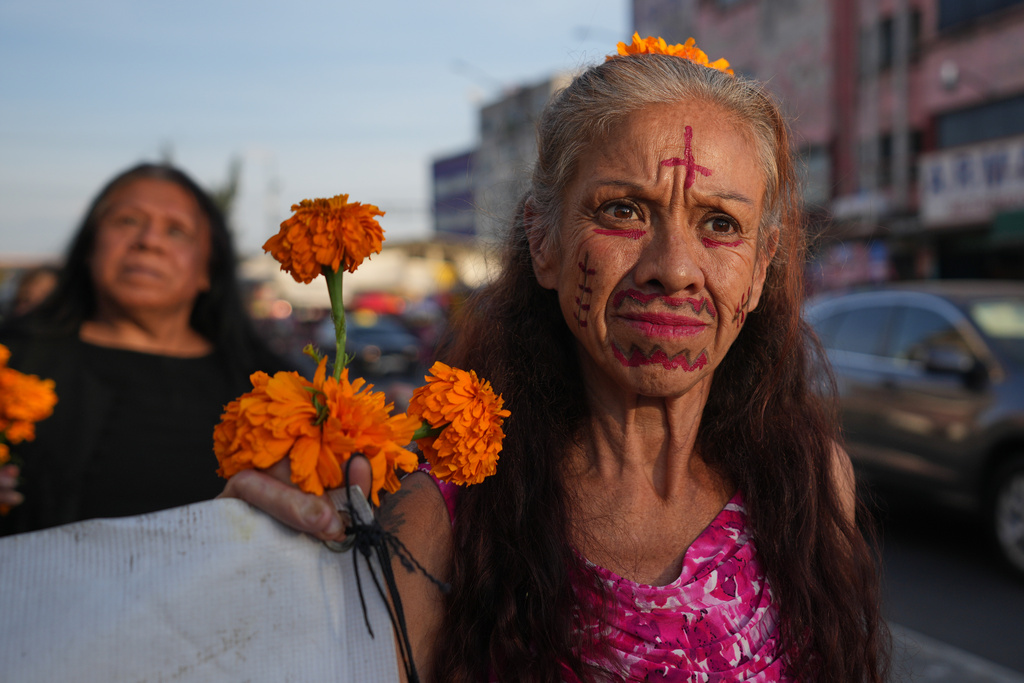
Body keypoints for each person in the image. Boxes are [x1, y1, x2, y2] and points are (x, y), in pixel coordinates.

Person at [222, 43, 890, 681]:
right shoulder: (444, 520)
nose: (675, 269)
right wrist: (268, 569)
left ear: (760, 266)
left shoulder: (810, 485)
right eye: (623, 210)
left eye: (720, 224)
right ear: (544, 241)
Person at [0, 163, 289, 535]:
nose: (149, 240)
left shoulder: (272, 390)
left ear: (207, 269)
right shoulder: (12, 359)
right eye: (127, 221)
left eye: (176, 230)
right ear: (90, 248)